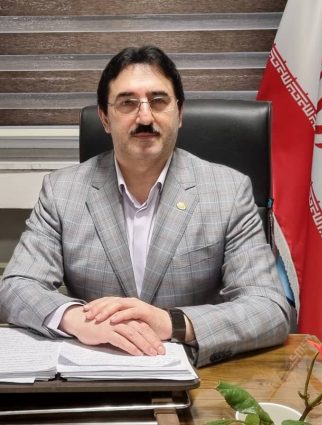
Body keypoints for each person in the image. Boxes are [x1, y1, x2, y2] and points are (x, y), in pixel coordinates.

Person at [0, 45, 290, 367]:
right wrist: (76, 319)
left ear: (179, 113)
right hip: (97, 368)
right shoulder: (62, 191)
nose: (145, 117)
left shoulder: (229, 191)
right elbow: (17, 286)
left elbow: (269, 307)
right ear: (105, 118)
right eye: (127, 103)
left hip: (195, 374)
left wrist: (172, 323)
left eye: (158, 101)